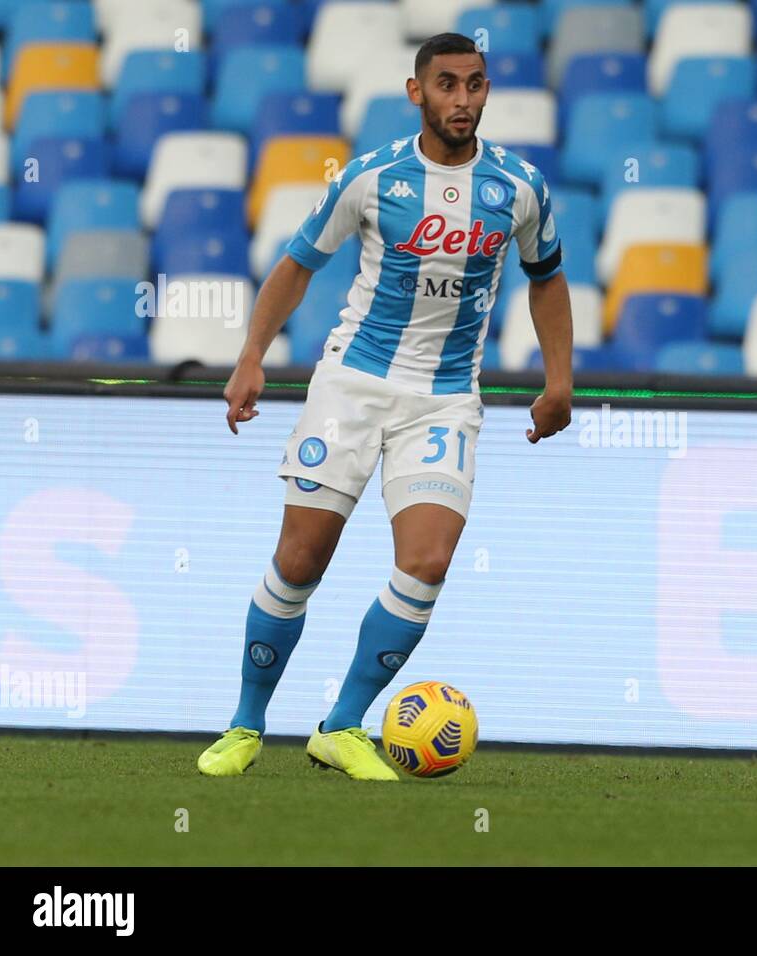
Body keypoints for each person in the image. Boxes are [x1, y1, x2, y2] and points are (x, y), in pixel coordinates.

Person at [197, 33, 573, 781]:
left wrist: (558, 379)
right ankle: (245, 724)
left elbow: (547, 277)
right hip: (352, 386)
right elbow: (298, 265)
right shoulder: (372, 178)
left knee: (428, 561)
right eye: (446, 85)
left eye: (474, 85)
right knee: (300, 560)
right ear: (416, 93)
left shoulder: (520, 186)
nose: (461, 100)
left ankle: (342, 726)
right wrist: (250, 357)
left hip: (444, 400)